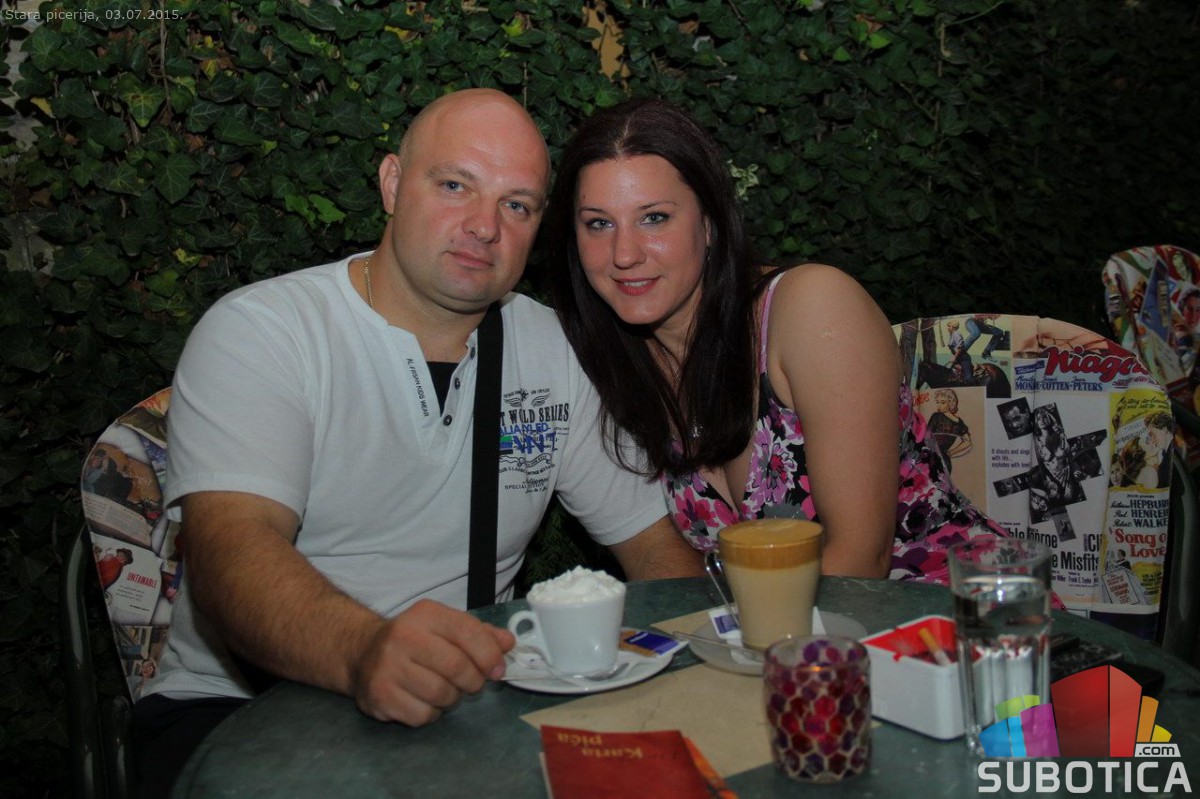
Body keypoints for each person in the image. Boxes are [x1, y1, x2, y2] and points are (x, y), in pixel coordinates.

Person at [134, 89, 703, 797]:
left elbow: (652, 548)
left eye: (517, 205)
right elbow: (231, 553)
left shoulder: (554, 350)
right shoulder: (266, 332)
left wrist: (705, 668)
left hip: (466, 708)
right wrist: (363, 650)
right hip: (239, 708)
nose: (484, 227)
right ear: (392, 182)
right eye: (455, 185)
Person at [546, 97, 1006, 584]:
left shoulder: (812, 309)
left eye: (654, 217)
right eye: (599, 223)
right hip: (763, 626)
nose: (624, 253)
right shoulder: (610, 361)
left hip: (952, 609)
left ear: (709, 222)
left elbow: (859, 559)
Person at [926, 389, 972, 471]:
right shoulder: (959, 422)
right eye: (937, 402)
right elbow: (968, 442)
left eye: (943, 402)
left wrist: (950, 452)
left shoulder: (937, 416)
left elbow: (926, 436)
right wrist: (949, 453)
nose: (939, 406)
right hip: (943, 459)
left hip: (934, 458)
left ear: (950, 403)